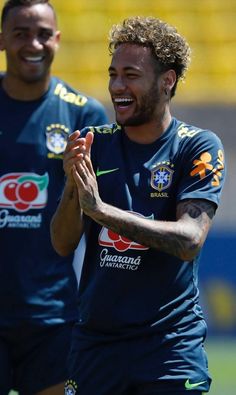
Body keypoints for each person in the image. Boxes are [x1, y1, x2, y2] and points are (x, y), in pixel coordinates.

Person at [50, 16, 226, 395]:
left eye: (130, 75)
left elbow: (189, 240)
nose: (116, 86)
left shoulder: (198, 146)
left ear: (167, 80)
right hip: (96, 348)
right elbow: (63, 244)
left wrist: (101, 210)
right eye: (113, 74)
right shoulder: (95, 143)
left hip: (169, 350)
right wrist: (72, 185)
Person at [0, 0, 108, 394]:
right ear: (1, 41)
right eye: (21, 33)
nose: (34, 43)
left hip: (53, 316)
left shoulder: (85, 115)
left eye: (44, 34)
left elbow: (98, 216)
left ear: (58, 40)